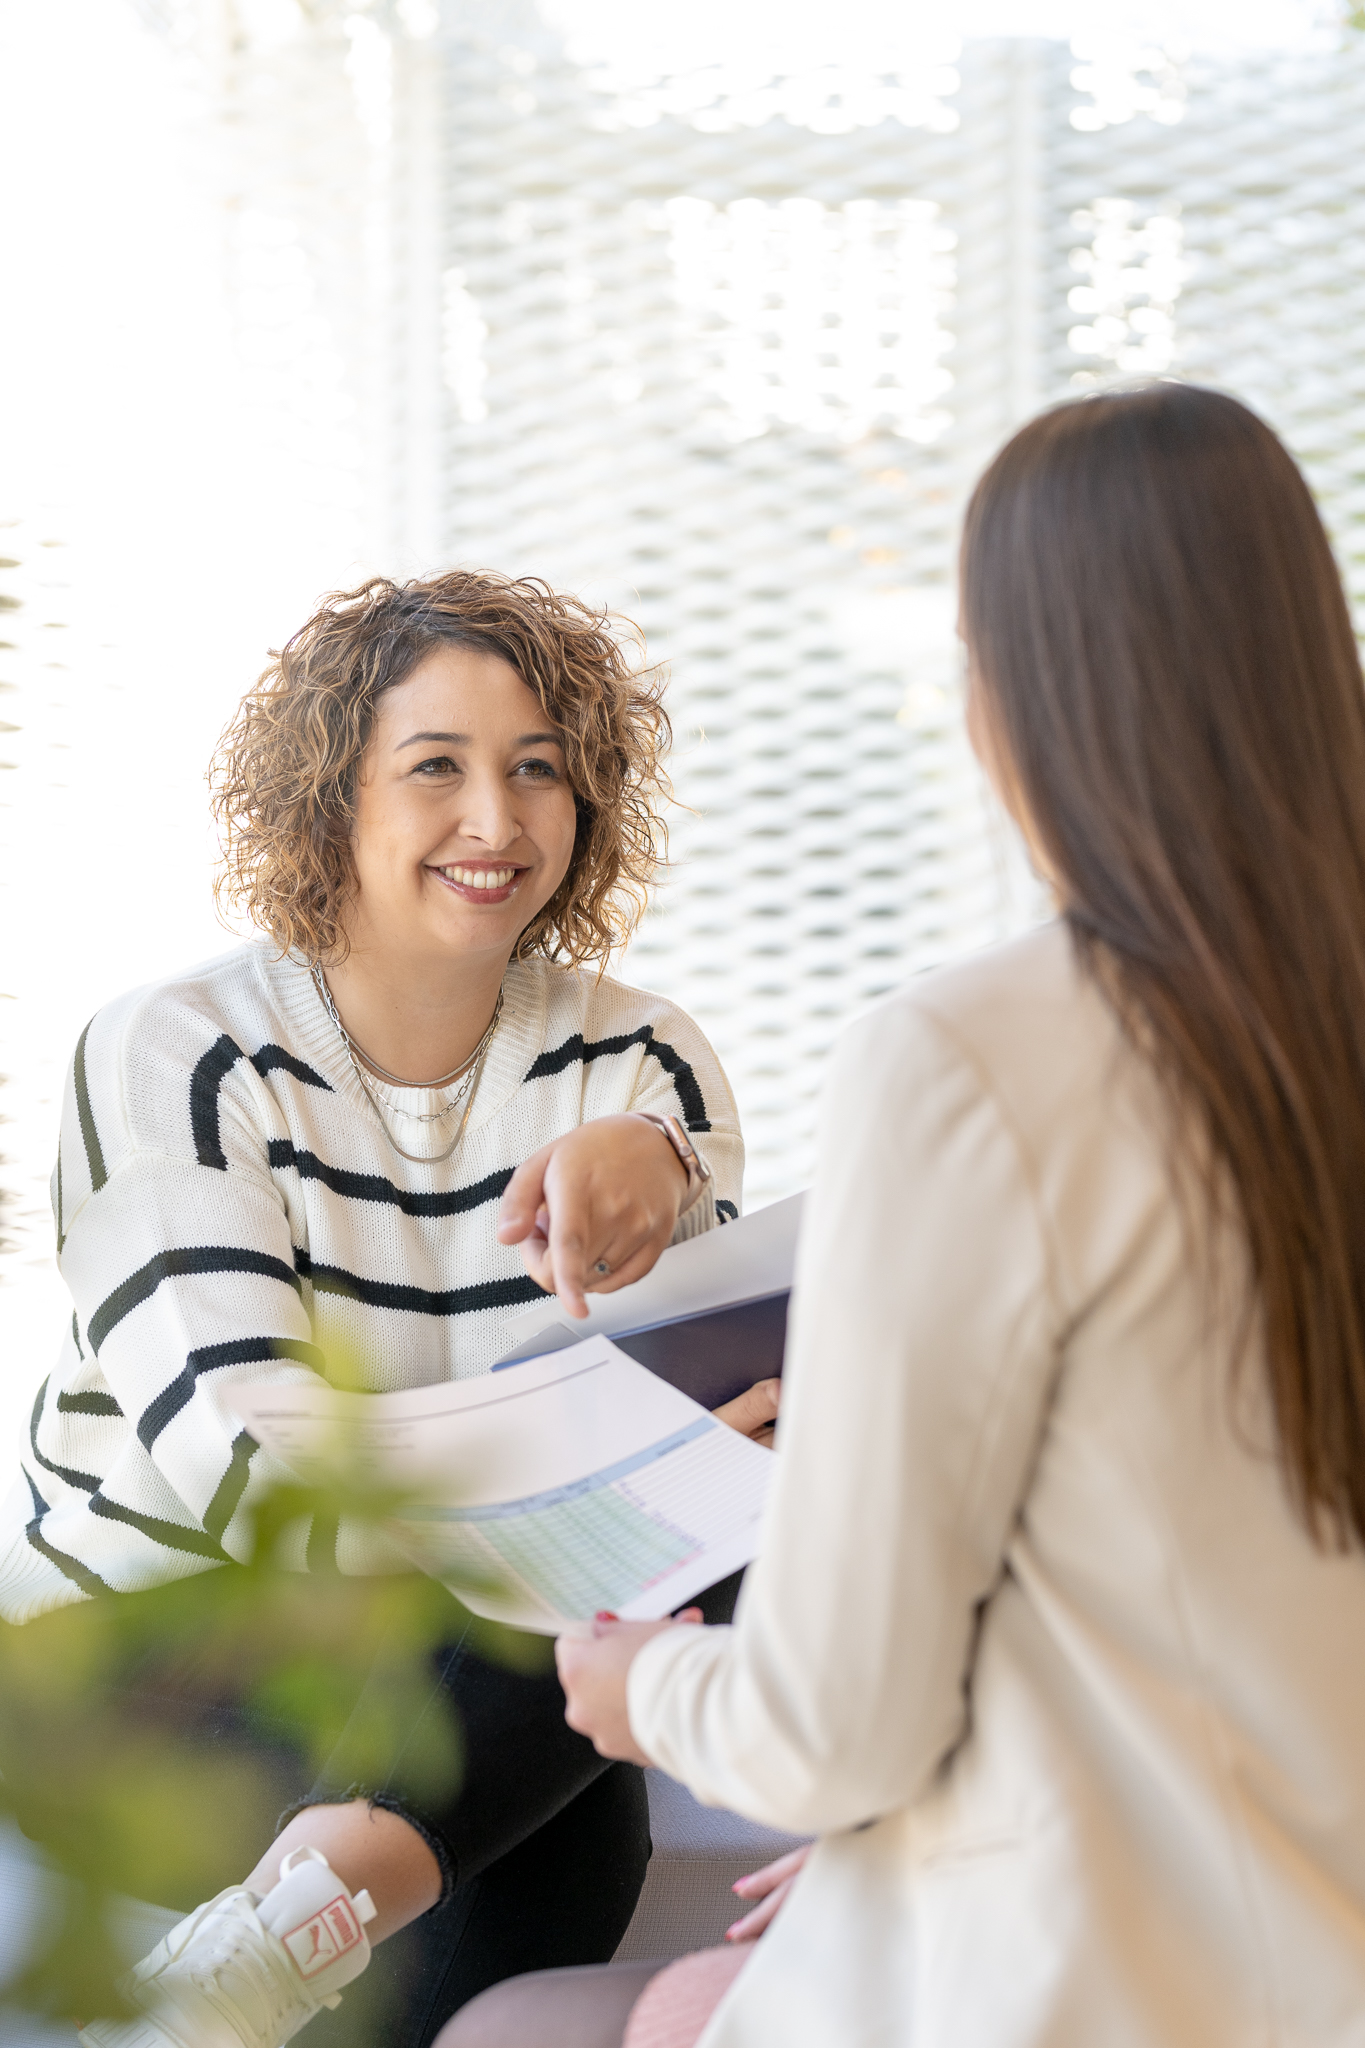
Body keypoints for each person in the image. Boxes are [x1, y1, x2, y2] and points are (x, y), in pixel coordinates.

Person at [459, 383, 1365, 2048]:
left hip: (1088, 1973)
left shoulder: (969, 1059)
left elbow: (830, 1728)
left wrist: (636, 1688)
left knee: (513, 2026)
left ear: (1023, 696)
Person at [0, 569, 776, 2047]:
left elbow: (717, 1459)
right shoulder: (180, 1056)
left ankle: (279, 1940)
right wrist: (613, 1504)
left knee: (574, 1716)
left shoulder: (641, 1071)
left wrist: (672, 1192)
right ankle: (306, 1914)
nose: (496, 821)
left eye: (538, 769)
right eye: (436, 768)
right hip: (159, 1642)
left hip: (474, 1623)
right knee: (546, 1722)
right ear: (327, 801)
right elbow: (262, 1485)